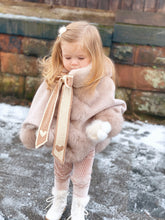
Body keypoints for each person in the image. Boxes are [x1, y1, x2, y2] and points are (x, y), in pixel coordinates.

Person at [20, 21, 126, 220]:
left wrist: (102, 126)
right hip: (61, 136)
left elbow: (110, 108)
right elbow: (42, 103)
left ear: (93, 55)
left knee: (82, 176)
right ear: (60, 53)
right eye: (67, 57)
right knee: (60, 172)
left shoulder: (100, 81)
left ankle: (78, 207)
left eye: (80, 58)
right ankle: (59, 201)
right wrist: (36, 127)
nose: (73, 62)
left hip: (86, 139)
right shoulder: (56, 77)